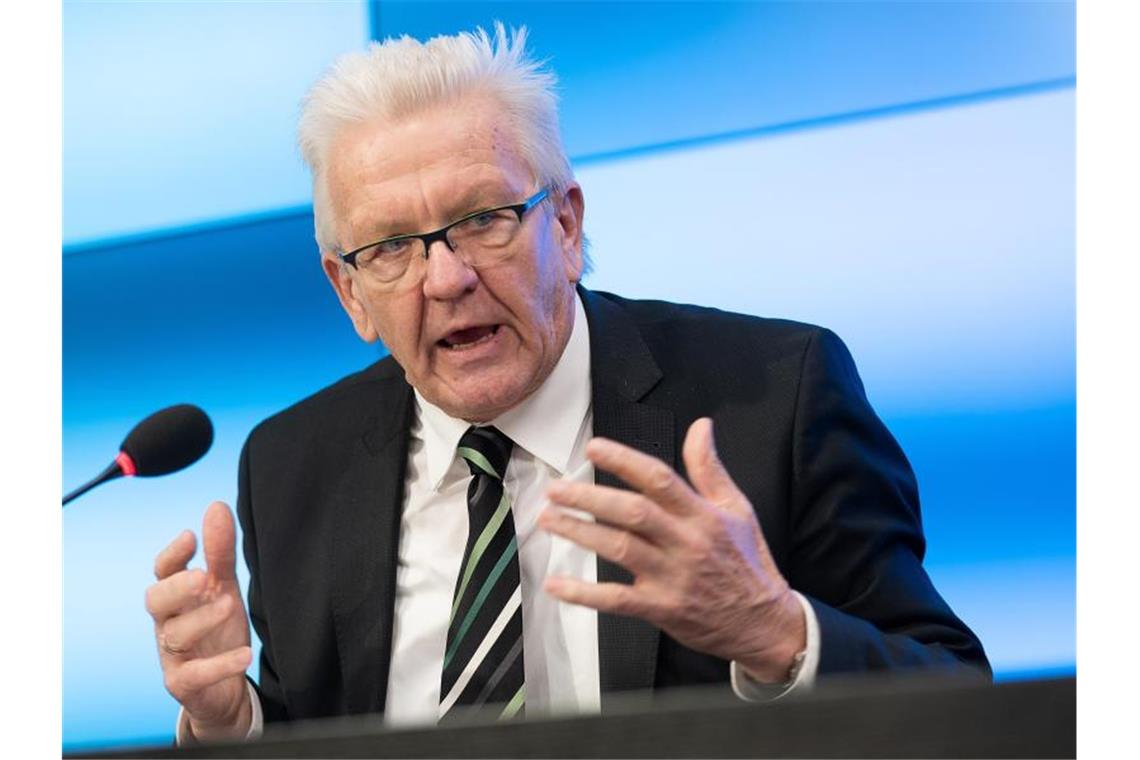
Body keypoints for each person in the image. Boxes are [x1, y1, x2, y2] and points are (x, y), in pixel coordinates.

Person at [144, 25, 989, 743]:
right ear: (349, 291)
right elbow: (313, 731)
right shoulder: (294, 465)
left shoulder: (774, 396)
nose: (446, 279)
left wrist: (773, 633)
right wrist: (230, 721)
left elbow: (964, 707)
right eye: (391, 247)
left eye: (481, 220)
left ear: (568, 224)